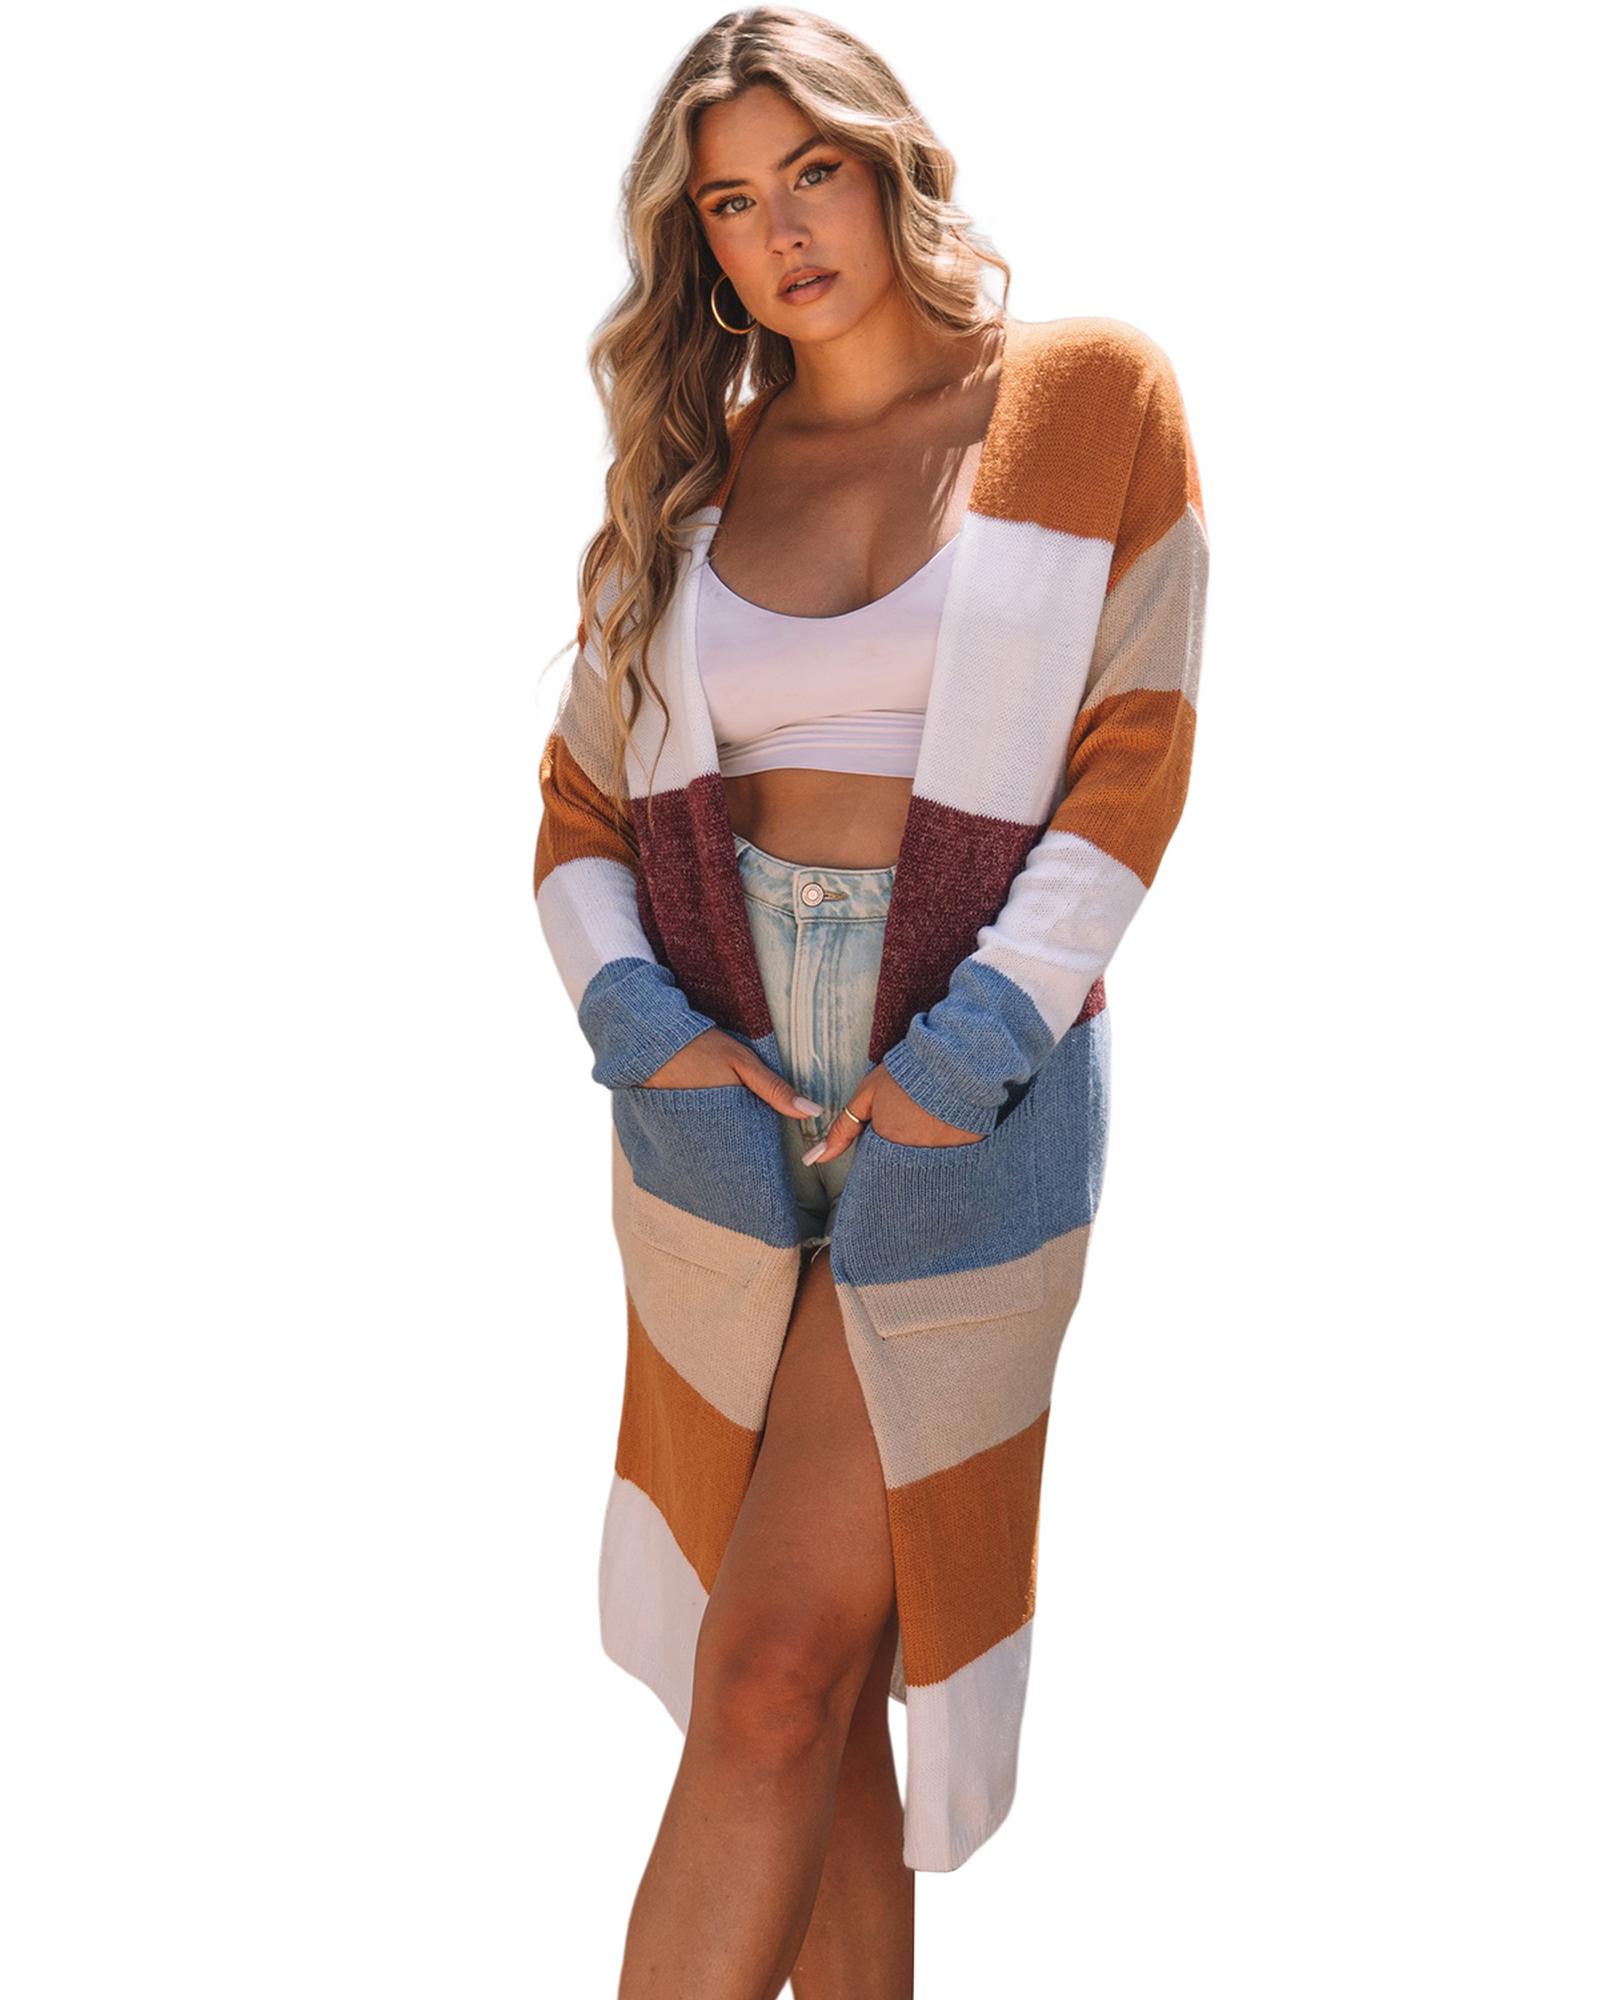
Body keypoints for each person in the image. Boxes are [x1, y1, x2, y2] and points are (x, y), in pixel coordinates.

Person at [532, 10, 1209, 1994]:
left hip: (964, 1090)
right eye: (728, 204)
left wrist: (969, 1053)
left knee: (769, 1670)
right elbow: (573, 815)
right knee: (802, 1713)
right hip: (719, 1103)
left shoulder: (1084, 398)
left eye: (807, 173)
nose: (778, 234)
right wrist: (651, 1037)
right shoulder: (696, 473)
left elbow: (1134, 758)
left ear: (888, 162)